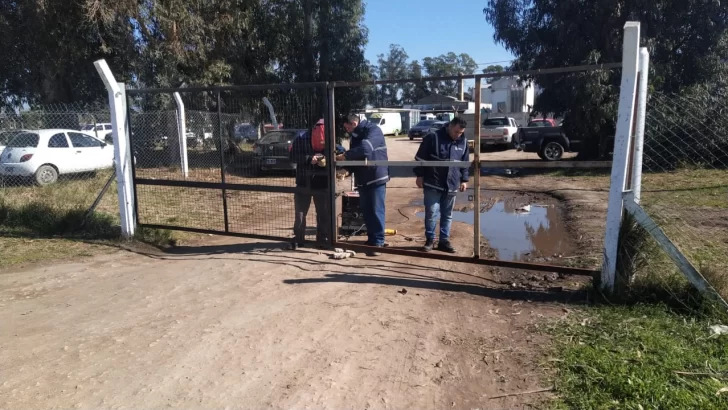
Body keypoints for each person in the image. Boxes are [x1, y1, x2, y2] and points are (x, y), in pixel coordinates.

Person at [413, 117, 470, 253]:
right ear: (450, 126)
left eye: (461, 133)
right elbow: (420, 158)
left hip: (452, 184)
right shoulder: (433, 138)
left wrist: (464, 180)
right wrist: (419, 176)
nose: (458, 135)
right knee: (431, 213)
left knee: (447, 214)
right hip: (433, 183)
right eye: (456, 132)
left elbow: (465, 163)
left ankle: (444, 241)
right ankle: (430, 240)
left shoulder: (463, 142)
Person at [336, 114, 390, 256]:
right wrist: (347, 170)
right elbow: (357, 158)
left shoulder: (374, 130)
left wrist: (345, 156)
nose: (347, 130)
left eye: (348, 127)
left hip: (376, 175)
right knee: (366, 210)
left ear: (354, 122)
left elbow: (366, 149)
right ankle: (372, 239)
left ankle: (378, 241)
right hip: (363, 177)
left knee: (376, 209)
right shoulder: (355, 135)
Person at [289, 119, 331, 250]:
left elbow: (340, 152)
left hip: (323, 182)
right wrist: (309, 159)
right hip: (303, 182)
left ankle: (323, 239)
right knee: (300, 213)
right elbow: (293, 156)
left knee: (323, 212)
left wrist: (325, 157)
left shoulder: (331, 137)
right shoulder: (301, 138)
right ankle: (299, 238)